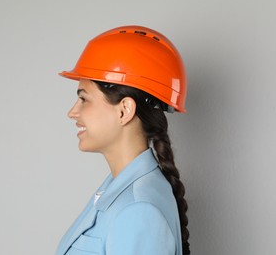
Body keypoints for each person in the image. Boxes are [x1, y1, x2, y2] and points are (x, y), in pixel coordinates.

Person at [55, 25, 190, 255]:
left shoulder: (139, 210)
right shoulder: (119, 189)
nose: (72, 112)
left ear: (124, 110)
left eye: (84, 99)